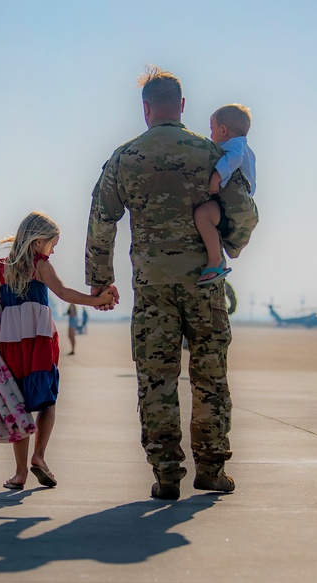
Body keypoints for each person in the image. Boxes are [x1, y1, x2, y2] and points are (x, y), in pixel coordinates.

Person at [86, 65, 259, 500]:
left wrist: (100, 282)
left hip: (152, 288)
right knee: (210, 376)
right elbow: (244, 211)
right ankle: (212, 469)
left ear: (145, 109)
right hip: (204, 284)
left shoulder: (125, 157)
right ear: (182, 106)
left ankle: (166, 473)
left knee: (156, 380)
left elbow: (102, 218)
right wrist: (228, 247)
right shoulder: (209, 153)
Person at [0, 211, 115, 491]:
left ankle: (19, 474)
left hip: (12, 345)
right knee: (48, 400)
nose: (55, 247)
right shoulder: (40, 266)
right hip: (40, 341)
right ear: (38, 242)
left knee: (18, 405)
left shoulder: (0, 270)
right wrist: (96, 300)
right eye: (54, 242)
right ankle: (39, 456)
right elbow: (63, 293)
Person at [193, 103, 257, 284]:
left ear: (223, 130)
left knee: (202, 215)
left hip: (236, 205)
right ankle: (217, 260)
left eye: (212, 129)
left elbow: (234, 159)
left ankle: (215, 260)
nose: (210, 135)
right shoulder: (247, 149)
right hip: (243, 208)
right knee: (209, 218)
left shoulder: (236, 146)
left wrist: (216, 177)